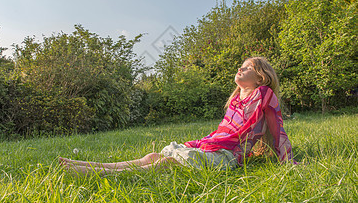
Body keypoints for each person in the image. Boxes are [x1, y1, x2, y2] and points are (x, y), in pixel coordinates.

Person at [60, 57, 296, 175]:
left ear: (261, 77)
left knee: (166, 163)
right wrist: (199, 144)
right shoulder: (235, 101)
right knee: (154, 155)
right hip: (213, 149)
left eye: (247, 68)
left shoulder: (263, 94)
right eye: (241, 66)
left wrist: (288, 162)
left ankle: (95, 173)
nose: (240, 69)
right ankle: (93, 165)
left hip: (227, 156)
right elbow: (220, 133)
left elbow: (277, 129)